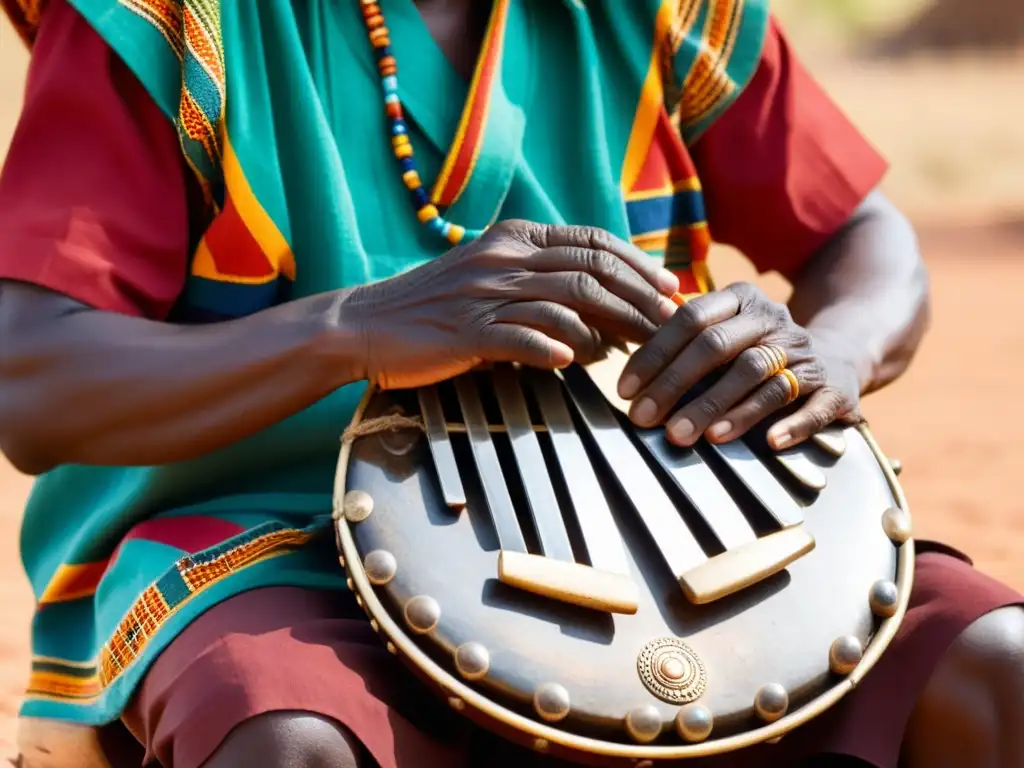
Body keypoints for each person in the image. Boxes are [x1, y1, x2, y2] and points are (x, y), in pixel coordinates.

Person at [0, 0, 1020, 766]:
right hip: (279, 546)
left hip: (673, 517)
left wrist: (829, 349)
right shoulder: (171, 22)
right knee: (289, 740)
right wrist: (352, 327)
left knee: (996, 660)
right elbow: (31, 376)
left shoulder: (657, 13)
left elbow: (867, 238)